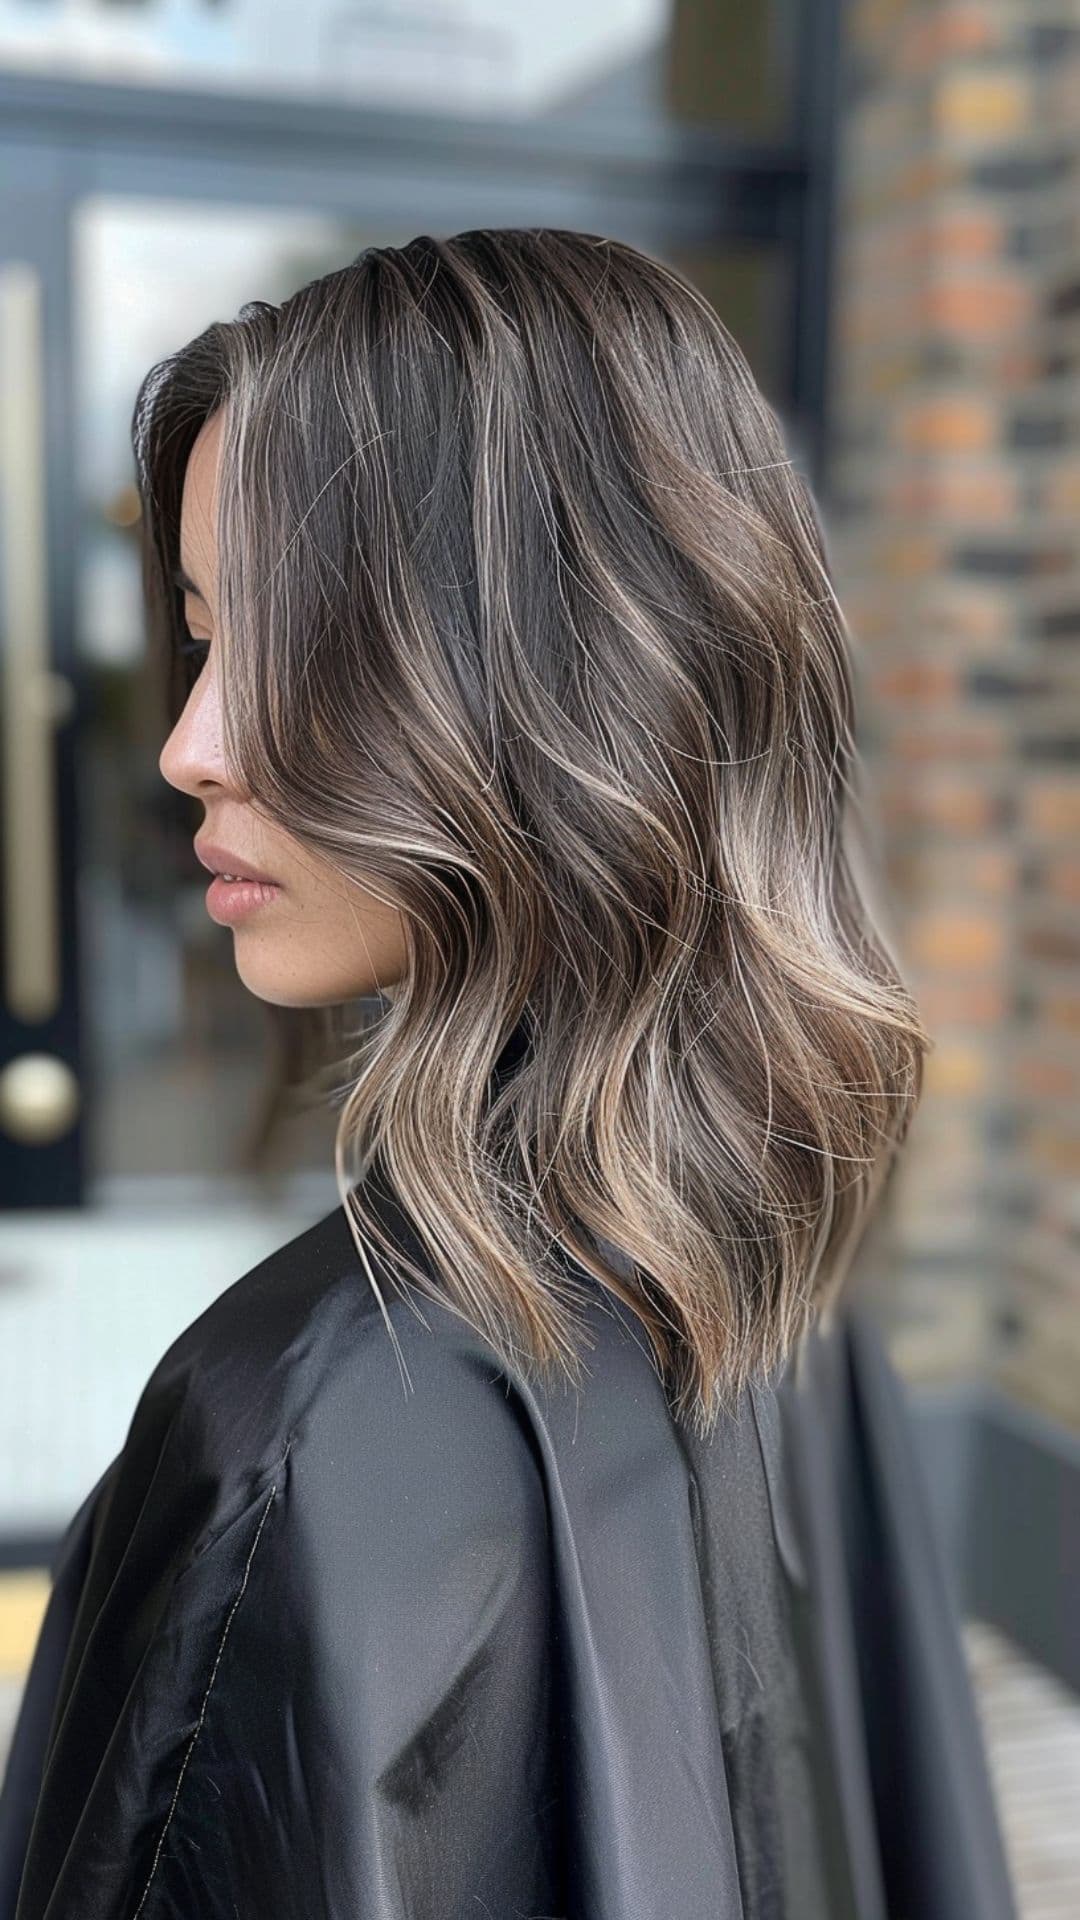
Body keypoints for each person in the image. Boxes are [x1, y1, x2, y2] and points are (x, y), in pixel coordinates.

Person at [0, 230, 1017, 1919]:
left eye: (294, 642)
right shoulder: (764, 1254)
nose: (188, 741)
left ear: (553, 686)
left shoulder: (301, 1432)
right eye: (196, 633)